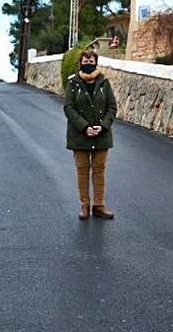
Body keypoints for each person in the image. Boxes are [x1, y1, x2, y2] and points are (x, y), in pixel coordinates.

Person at [63, 49, 118, 220]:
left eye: (91, 61)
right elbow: (68, 108)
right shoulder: (73, 83)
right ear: (80, 63)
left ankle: (99, 205)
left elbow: (112, 107)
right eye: (85, 61)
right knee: (82, 170)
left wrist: (103, 126)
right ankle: (85, 205)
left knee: (99, 170)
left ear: (96, 62)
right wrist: (84, 126)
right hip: (79, 135)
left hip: (102, 134)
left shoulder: (104, 82)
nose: (89, 64)